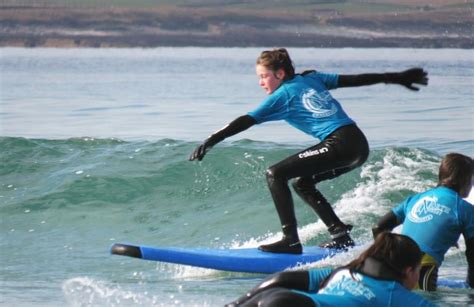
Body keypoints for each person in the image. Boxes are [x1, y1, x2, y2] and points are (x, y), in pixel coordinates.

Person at [189, 48, 428, 253]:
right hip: (358, 145)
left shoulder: (282, 95)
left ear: (280, 74)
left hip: (339, 143)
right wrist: (395, 77)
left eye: (264, 77)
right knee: (302, 183)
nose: (261, 82)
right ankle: (340, 236)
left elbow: (245, 120)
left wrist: (211, 140)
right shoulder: (312, 78)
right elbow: (354, 79)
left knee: (275, 174)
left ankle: (290, 241)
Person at [226, 232, 435, 307]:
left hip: (276, 297)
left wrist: (236, 303)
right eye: (418, 271)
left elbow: (282, 278)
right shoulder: (395, 295)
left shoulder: (346, 272)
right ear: (409, 271)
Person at [372, 153, 474, 291]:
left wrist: (386, 259)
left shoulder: (416, 199)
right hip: (420, 268)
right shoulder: (464, 208)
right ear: (465, 180)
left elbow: (379, 227)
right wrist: (471, 288)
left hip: (394, 264)